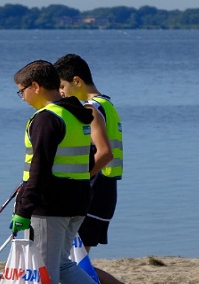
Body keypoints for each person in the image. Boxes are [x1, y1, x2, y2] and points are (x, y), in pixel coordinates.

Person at [10, 59, 99, 284]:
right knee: (61, 263)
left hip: (49, 206)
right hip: (77, 202)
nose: (22, 98)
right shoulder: (75, 115)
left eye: (22, 91)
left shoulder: (47, 118)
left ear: (35, 86)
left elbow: (40, 167)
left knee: (44, 271)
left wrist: (23, 209)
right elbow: (87, 160)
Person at [54, 54, 124, 284]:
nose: (61, 93)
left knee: (71, 265)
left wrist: (76, 179)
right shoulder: (107, 104)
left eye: (62, 86)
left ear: (77, 81)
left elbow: (104, 153)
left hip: (95, 188)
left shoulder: (90, 109)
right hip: (105, 188)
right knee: (75, 263)